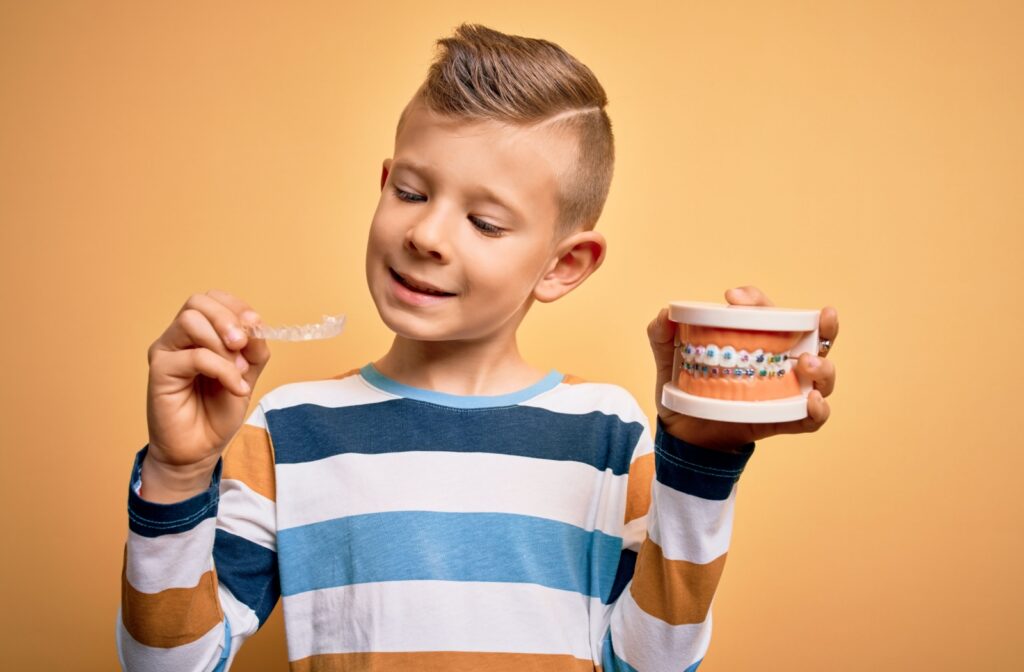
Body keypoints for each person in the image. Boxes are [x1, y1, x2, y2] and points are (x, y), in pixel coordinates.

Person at [117, 22, 839, 672]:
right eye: (409, 191)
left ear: (564, 265)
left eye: (486, 223)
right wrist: (179, 476)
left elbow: (655, 666)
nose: (426, 236)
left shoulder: (609, 434)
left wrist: (701, 466)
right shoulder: (285, 430)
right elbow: (168, 668)